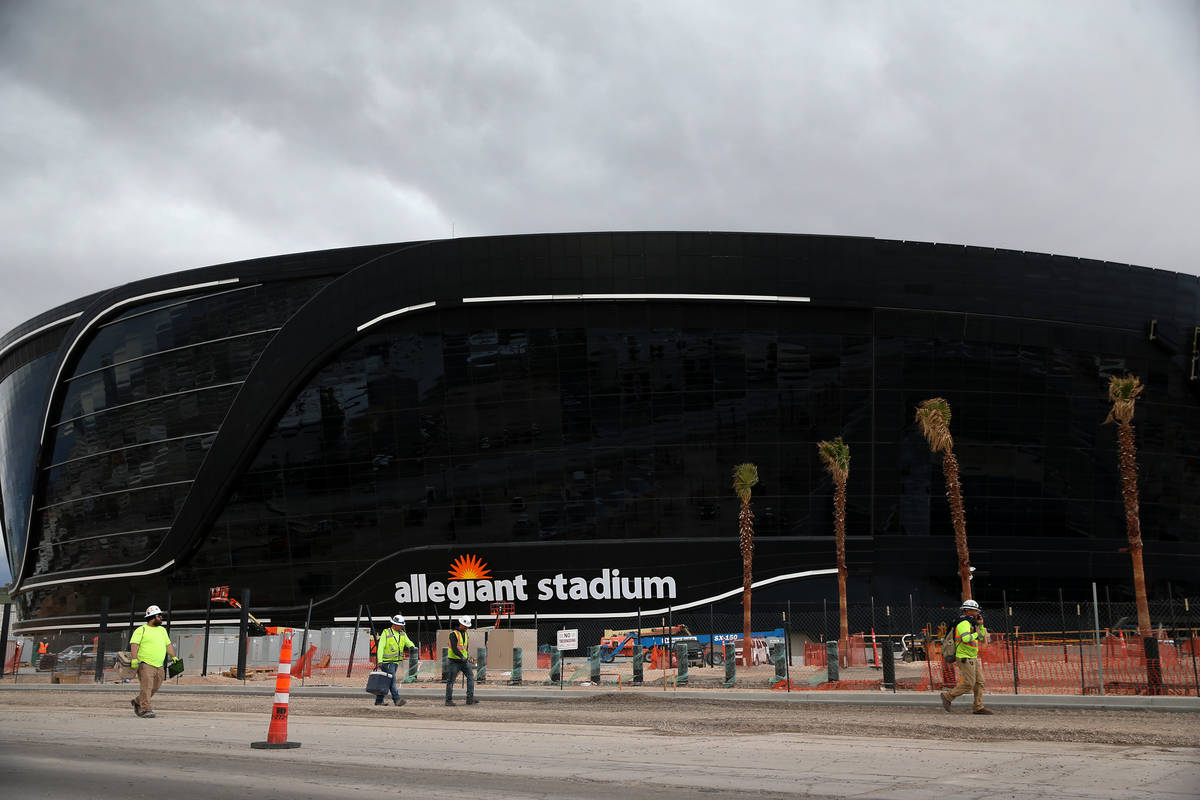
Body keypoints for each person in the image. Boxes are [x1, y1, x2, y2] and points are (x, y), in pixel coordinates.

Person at [940, 599, 993, 715]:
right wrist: (977, 633)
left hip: (972, 656)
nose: (977, 613)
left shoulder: (972, 623)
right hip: (964, 657)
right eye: (975, 611)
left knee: (980, 682)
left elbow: (980, 638)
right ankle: (948, 696)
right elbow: (965, 638)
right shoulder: (963, 623)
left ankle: (978, 707)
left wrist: (981, 625)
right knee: (969, 683)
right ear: (968, 611)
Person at [129, 604, 177, 718]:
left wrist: (174, 657)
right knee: (147, 687)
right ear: (152, 617)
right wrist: (134, 659)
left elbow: (168, 645)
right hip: (145, 664)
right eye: (159, 616)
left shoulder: (162, 630)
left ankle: (137, 701)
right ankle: (145, 709)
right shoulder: (142, 630)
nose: (161, 618)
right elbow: (134, 644)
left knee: (155, 687)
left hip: (159, 665)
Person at [374, 614, 417, 707]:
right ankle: (397, 699)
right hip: (387, 662)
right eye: (401, 625)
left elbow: (408, 642)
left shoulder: (402, 633)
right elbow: (380, 648)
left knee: (386, 681)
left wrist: (412, 646)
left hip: (395, 662)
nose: (402, 627)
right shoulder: (386, 632)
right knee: (392, 681)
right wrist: (380, 661)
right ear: (394, 624)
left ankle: (379, 701)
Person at [445, 615, 478, 706]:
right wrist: (462, 656)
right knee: (451, 681)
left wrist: (467, 657)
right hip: (454, 661)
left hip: (464, 661)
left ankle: (470, 698)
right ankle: (448, 700)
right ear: (461, 624)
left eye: (467, 626)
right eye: (465, 626)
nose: (467, 627)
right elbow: (455, 649)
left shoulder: (465, 634)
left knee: (470, 677)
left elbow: (464, 648)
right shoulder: (453, 634)